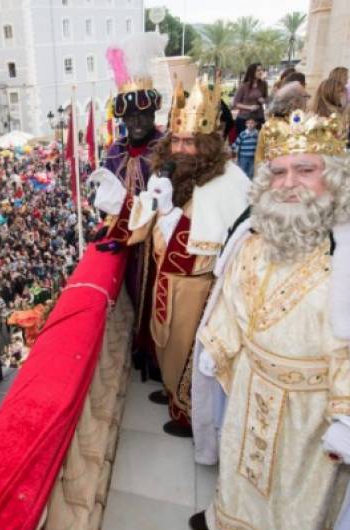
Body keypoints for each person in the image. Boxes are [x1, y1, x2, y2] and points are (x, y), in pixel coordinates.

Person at [190, 109, 350, 530]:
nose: (289, 183)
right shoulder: (258, 232)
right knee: (241, 474)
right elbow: (234, 298)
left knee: (296, 506)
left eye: (305, 169)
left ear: (335, 175)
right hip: (250, 388)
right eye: (277, 171)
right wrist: (217, 344)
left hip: (313, 414)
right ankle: (230, 527)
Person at [126, 77, 251, 437]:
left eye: (191, 142)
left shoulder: (226, 182)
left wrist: (169, 217)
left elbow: (200, 254)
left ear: (208, 144)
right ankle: (170, 394)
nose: (181, 149)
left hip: (198, 289)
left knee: (188, 353)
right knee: (171, 348)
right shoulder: (181, 174)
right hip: (171, 282)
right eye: (177, 140)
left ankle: (190, 416)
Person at [94, 31, 166, 381]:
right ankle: (139, 349)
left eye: (143, 115)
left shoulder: (166, 149)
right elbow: (108, 200)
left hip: (162, 244)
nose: (136, 124)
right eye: (130, 118)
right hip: (128, 245)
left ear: (153, 112)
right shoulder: (114, 152)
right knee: (133, 297)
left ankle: (157, 356)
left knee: (159, 303)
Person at [254, 81, 311, 165]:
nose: (308, 100)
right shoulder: (278, 128)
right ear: (294, 102)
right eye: (306, 96)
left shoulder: (271, 124)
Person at [233, 63, 268, 134]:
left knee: (260, 142)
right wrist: (250, 107)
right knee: (245, 143)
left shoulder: (264, 84)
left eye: (261, 70)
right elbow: (235, 103)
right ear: (252, 72)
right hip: (245, 119)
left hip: (259, 118)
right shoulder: (243, 86)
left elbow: (266, 99)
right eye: (258, 70)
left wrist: (263, 100)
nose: (261, 72)